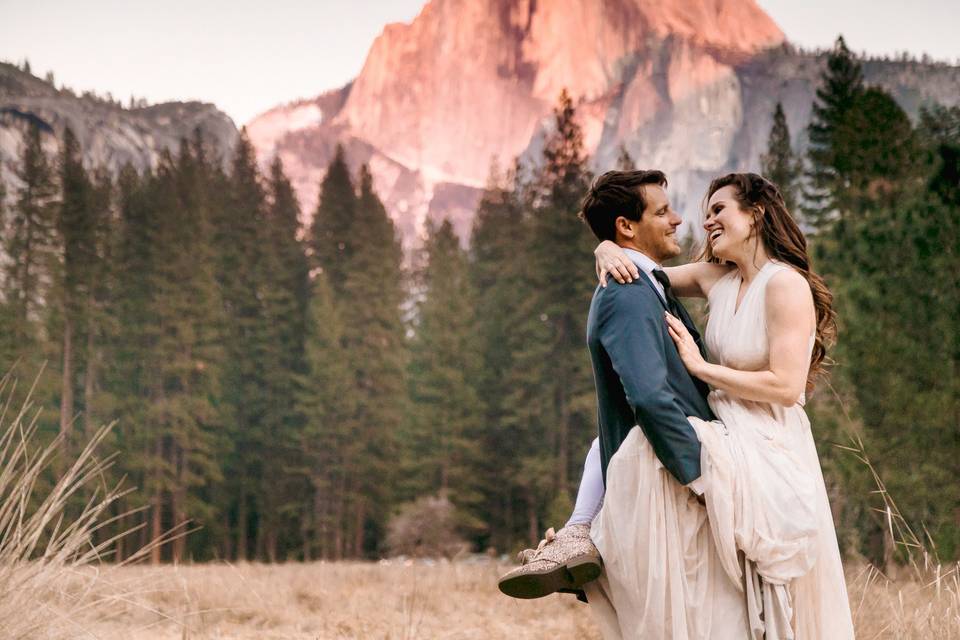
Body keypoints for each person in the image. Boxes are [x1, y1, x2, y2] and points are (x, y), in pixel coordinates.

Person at [500, 171, 856, 639]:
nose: (702, 221)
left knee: (772, 578)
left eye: (718, 210)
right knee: (621, 447)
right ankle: (578, 532)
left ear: (756, 213)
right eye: (705, 211)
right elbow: (642, 272)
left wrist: (703, 369)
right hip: (725, 423)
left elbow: (788, 388)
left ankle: (578, 532)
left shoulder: (785, 285)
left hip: (769, 439)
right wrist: (605, 246)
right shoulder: (717, 279)